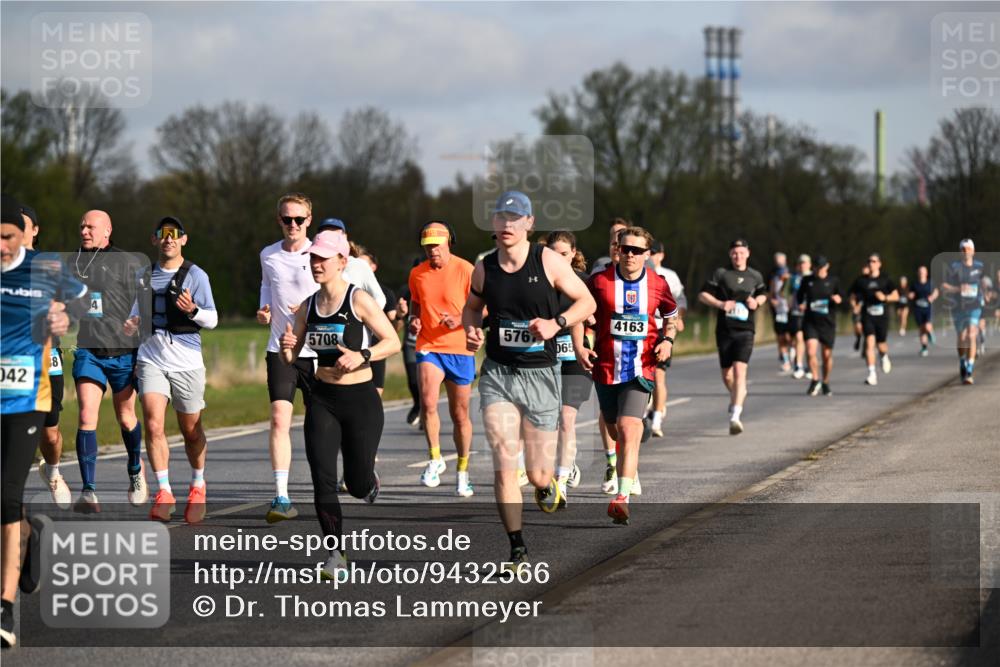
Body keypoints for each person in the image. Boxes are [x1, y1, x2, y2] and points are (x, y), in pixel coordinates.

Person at [462, 191, 595, 568]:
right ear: (493, 223)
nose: (507, 224)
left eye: (514, 217)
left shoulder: (548, 260)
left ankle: (548, 483)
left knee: (536, 474)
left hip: (541, 374)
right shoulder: (484, 268)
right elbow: (471, 310)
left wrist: (557, 323)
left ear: (529, 223)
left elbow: (587, 302)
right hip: (499, 372)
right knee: (504, 457)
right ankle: (517, 547)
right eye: (501, 217)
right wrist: (472, 332)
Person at [280, 230, 400, 580]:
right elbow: (291, 356)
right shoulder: (308, 305)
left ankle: (367, 482)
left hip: (361, 401)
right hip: (323, 399)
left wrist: (363, 355)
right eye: (313, 258)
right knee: (323, 480)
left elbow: (391, 341)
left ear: (342, 262)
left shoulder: (358, 300)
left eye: (323, 259)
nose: (316, 264)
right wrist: (289, 347)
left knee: (357, 484)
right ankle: (336, 552)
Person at [1, 194, 89, 648]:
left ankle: (5, 608)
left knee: (6, 493)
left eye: (7, 236)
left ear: (22, 236)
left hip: (26, 398)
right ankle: (31, 537)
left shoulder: (45, 269)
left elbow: (83, 302)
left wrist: (63, 316)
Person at [124, 217, 218, 524]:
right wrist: (131, 323)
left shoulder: (196, 275)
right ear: (154, 240)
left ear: (183, 239)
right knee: (153, 424)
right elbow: (135, 314)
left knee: (191, 431)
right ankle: (164, 492)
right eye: (162, 235)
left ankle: (198, 484)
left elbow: (213, 320)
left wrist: (193, 310)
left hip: (187, 361)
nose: (168, 239)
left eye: (174, 234)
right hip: (151, 357)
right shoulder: (143, 275)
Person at [584, 227, 677, 525]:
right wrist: (581, 343)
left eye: (637, 251)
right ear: (617, 250)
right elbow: (579, 312)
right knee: (614, 430)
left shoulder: (658, 284)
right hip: (605, 368)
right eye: (626, 249)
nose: (631, 255)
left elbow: (671, 318)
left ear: (647, 255)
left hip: (641, 367)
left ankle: (622, 497)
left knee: (627, 426)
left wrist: (667, 340)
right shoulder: (599, 281)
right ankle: (629, 464)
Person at [70, 209, 147, 513]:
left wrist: (137, 328)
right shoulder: (73, 263)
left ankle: (135, 470)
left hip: (124, 354)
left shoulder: (127, 263)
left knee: (126, 417)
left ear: (107, 230)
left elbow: (143, 307)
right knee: (87, 415)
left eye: (91, 227)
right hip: (89, 351)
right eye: (82, 226)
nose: (84, 231)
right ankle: (88, 491)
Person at [257, 193, 319, 523]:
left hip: (317, 353)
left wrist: (308, 312)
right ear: (279, 220)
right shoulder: (268, 255)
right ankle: (281, 495)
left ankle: (348, 475)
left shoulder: (319, 254)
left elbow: (334, 295)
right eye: (286, 219)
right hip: (280, 350)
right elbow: (267, 287)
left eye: (298, 219)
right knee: (280, 418)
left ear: (309, 220)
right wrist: (264, 310)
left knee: (320, 423)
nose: (292, 225)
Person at [408, 222, 476, 496]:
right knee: (427, 402)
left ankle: (462, 470)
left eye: (437, 244)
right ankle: (435, 459)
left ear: (449, 242)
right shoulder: (417, 273)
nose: (432, 250)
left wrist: (460, 319)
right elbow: (416, 302)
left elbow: (482, 308)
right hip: (429, 345)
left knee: (460, 415)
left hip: (460, 348)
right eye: (428, 245)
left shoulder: (465, 269)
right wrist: (414, 319)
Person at [19, 206, 71, 508]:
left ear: (35, 230)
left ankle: (52, 472)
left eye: (23, 225)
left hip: (46, 355)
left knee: (50, 435)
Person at [698, 239, 767, 435]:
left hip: (745, 330)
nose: (738, 256)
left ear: (748, 253)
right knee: (727, 375)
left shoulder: (755, 275)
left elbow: (763, 294)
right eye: (735, 253)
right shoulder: (721, 273)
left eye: (742, 252)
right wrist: (721, 304)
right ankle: (738, 395)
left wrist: (757, 302)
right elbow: (703, 295)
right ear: (730, 254)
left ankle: (735, 416)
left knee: (739, 371)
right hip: (724, 330)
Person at [544, 230, 593, 505]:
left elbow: (583, 317)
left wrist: (580, 347)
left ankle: (560, 482)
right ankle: (569, 464)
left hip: (576, 355)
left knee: (566, 418)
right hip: (545, 356)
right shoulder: (540, 282)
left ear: (573, 253)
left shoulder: (583, 282)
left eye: (564, 254)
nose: (559, 259)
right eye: (554, 254)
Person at [648, 239, 686, 437]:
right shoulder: (638, 273)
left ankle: (656, 419)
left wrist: (679, 318)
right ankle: (648, 407)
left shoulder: (669, 276)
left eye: (655, 253)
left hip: (662, 330)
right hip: (643, 330)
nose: (651, 256)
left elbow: (680, 299)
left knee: (659, 375)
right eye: (649, 252)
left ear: (661, 255)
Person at [940, 239, 987, 385]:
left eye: (968, 249)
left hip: (974, 306)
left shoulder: (980, 267)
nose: (966, 252)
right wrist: (958, 289)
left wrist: (986, 293)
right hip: (958, 307)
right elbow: (943, 286)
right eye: (963, 249)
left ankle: (969, 370)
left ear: (973, 251)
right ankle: (962, 362)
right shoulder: (954, 267)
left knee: (972, 334)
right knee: (962, 336)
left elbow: (983, 283)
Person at [850, 253, 898, 386]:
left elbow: (896, 296)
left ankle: (884, 356)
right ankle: (872, 373)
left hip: (882, 315)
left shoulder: (885, 279)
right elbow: (853, 295)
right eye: (869, 261)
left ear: (879, 264)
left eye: (874, 261)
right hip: (868, 314)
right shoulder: (861, 281)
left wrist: (885, 298)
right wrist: (854, 306)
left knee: (881, 345)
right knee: (870, 342)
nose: (871, 263)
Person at [797, 256, 842, 396]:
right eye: (816, 267)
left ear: (827, 267)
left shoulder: (833, 281)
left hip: (828, 323)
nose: (818, 270)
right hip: (811, 322)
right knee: (810, 351)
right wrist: (801, 304)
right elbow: (799, 296)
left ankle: (826, 382)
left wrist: (838, 299)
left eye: (821, 267)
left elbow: (842, 297)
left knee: (826, 355)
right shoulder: (807, 280)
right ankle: (815, 380)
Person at [357, 247, 397, 397]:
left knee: (375, 394)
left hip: (377, 347)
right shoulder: (348, 291)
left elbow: (395, 329)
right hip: (354, 347)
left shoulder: (385, 293)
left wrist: (399, 316)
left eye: (363, 264)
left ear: (373, 267)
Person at [788, 254, 812, 379]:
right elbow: (788, 293)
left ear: (809, 264)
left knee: (809, 341)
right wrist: (790, 305)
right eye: (800, 263)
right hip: (797, 313)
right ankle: (798, 365)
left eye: (805, 263)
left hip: (811, 313)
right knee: (799, 337)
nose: (802, 265)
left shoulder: (812, 277)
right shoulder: (794, 278)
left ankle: (809, 366)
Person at [769, 252, 792, 373]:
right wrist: (772, 300)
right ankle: (786, 360)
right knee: (781, 337)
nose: (781, 276)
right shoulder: (774, 279)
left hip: (790, 311)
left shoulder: (791, 279)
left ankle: (792, 351)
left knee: (789, 337)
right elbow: (771, 294)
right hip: (779, 312)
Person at [910, 265, 938, 357]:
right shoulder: (914, 284)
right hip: (918, 309)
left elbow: (936, 291)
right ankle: (924, 348)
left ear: (926, 273)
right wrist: (910, 295)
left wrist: (932, 297)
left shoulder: (930, 283)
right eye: (920, 272)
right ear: (918, 273)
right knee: (922, 330)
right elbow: (910, 294)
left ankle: (930, 333)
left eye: (923, 272)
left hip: (928, 308)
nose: (921, 273)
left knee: (927, 326)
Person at [852, 263, 871, 353]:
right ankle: (859, 338)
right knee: (858, 327)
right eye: (863, 268)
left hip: (869, 310)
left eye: (866, 268)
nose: (864, 270)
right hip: (858, 309)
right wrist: (854, 306)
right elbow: (851, 295)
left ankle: (866, 346)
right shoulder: (858, 281)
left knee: (868, 330)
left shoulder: (874, 281)